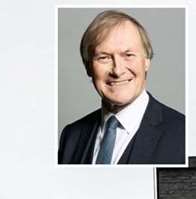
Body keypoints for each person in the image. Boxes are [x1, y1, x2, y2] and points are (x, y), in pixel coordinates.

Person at [58, 10, 185, 164]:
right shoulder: (71, 137)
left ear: (146, 61)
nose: (117, 71)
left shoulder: (184, 134)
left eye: (128, 55)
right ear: (88, 67)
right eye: (104, 57)